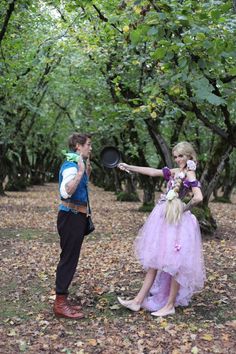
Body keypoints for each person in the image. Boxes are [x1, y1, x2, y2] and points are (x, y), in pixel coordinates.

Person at [117, 141, 206, 317]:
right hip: (164, 219)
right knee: (154, 261)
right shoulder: (175, 172)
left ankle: (170, 304)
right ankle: (137, 301)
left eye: (181, 156)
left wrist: (183, 208)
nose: (178, 159)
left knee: (175, 263)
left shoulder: (190, 174)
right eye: (176, 156)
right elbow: (152, 172)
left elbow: (198, 197)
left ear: (189, 156)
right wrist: (129, 167)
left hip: (178, 222)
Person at [53, 132, 92, 319]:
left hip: (77, 217)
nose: (90, 148)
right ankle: (60, 303)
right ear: (78, 145)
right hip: (70, 217)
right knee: (68, 259)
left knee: (71, 258)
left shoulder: (79, 163)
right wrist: (79, 172)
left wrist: (84, 166)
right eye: (88, 145)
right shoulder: (71, 166)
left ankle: (63, 299)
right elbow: (66, 191)